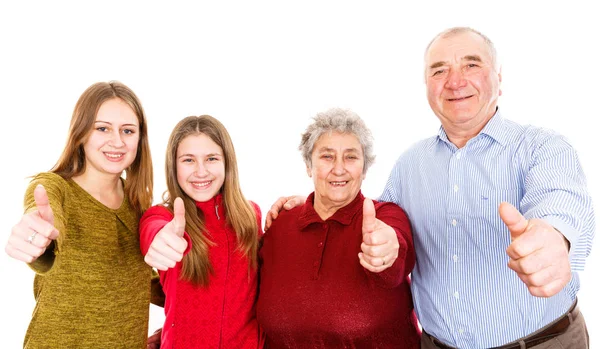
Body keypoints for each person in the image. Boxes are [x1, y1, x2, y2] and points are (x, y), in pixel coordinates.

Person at [267, 28, 595, 348]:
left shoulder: (541, 146)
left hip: (542, 342)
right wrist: (313, 205)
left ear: (499, 77)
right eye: (440, 70)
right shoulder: (410, 164)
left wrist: (553, 238)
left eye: (471, 64)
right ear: (426, 85)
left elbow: (561, 199)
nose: (455, 81)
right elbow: (376, 222)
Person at [4, 81, 155, 348]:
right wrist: (37, 240)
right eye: (102, 128)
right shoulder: (54, 188)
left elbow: (145, 280)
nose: (117, 141)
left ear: (139, 140)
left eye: (128, 130)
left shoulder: (139, 205)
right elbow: (46, 243)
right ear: (81, 133)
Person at [257, 108, 420, 348]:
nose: (339, 168)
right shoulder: (280, 224)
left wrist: (386, 252)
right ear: (309, 166)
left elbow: (396, 255)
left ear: (364, 169)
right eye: (327, 156)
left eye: (351, 157)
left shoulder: (385, 216)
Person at [139, 115, 263, 349]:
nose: (201, 171)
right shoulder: (164, 217)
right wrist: (159, 240)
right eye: (188, 160)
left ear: (227, 163)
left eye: (211, 158)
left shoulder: (251, 217)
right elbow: (153, 230)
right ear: (174, 166)